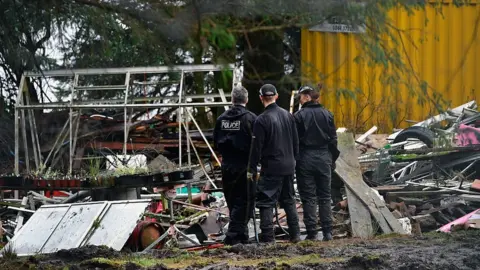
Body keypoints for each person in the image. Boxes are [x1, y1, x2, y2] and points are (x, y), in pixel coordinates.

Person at [248, 83, 301, 243]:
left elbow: (256, 148)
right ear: (276, 96)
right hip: (288, 165)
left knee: (266, 201)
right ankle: (296, 235)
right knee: (289, 200)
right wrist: (293, 161)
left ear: (261, 98)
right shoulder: (288, 116)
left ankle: (268, 238)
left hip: (271, 167)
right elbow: (296, 143)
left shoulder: (261, 120)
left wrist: (252, 169)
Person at [294, 85, 339, 241]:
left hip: (305, 158)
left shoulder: (299, 116)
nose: (299, 99)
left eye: (300, 96)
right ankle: (328, 232)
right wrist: (331, 159)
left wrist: (297, 158)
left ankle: (312, 232)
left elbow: (295, 141)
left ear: (307, 97)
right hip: (324, 156)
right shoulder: (328, 114)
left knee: (308, 197)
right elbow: (333, 139)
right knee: (325, 196)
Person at [213, 85, 257, 245]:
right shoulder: (251, 118)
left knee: (231, 199)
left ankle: (242, 235)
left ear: (232, 99)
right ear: (246, 99)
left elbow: (216, 142)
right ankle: (233, 235)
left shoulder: (221, 119)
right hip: (245, 165)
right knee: (245, 200)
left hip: (227, 165)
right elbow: (257, 143)